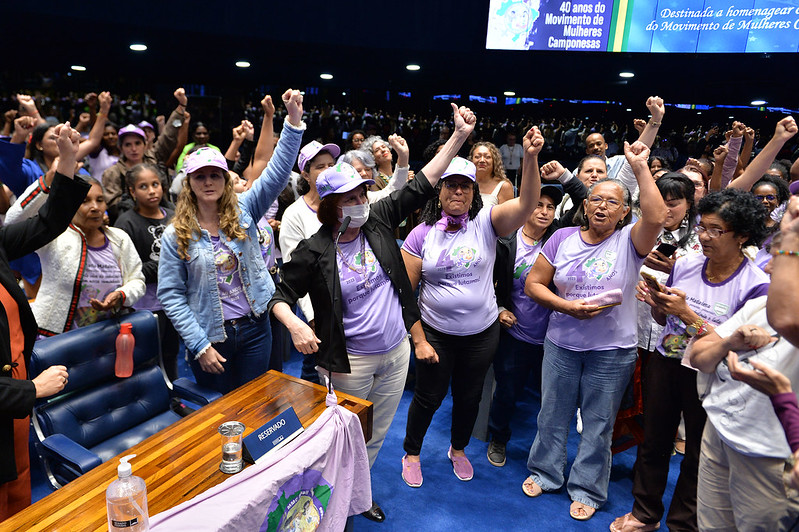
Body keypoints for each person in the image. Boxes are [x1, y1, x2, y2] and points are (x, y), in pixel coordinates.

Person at [270, 103, 478, 523]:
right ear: (330, 205)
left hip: (395, 352)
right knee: (338, 437)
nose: (362, 202)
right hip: (349, 362)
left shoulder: (378, 221)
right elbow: (278, 294)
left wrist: (458, 137)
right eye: (350, 197)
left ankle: (355, 497)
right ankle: (328, 503)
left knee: (375, 434)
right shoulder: (314, 249)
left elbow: (422, 185)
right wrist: (293, 323)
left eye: (363, 193)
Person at [522, 140, 667, 521]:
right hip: (561, 344)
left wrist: (639, 166)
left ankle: (586, 487)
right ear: (584, 206)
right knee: (551, 414)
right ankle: (545, 472)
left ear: (623, 213)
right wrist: (567, 306)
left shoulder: (630, 241)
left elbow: (656, 216)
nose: (603, 206)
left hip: (612, 351)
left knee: (599, 424)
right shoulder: (561, 238)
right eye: (596, 200)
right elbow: (534, 285)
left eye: (612, 203)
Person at [611, 187, 770, 532]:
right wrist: (657, 305)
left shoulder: (756, 285)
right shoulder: (684, 265)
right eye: (702, 227)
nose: (705, 237)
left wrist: (686, 314)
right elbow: (661, 322)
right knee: (653, 441)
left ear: (742, 236)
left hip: (712, 376)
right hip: (666, 363)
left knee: (699, 453)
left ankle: (683, 522)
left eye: (717, 230)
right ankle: (644, 513)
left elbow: (739, 345)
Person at [400, 126, 544, 488]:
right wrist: (418, 339)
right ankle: (412, 452)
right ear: (440, 190)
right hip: (436, 334)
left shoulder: (488, 221)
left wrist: (529, 158)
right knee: (429, 397)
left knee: (469, 397)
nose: (459, 191)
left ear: (473, 190)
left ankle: (458, 449)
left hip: (481, 334)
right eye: (451, 184)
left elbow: (527, 204)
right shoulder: (421, 234)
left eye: (465, 185)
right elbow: (405, 294)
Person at [157, 89, 304, 394]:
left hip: (255, 328)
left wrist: (292, 121)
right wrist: (199, 346)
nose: (208, 182)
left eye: (215, 175)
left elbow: (275, 174)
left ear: (226, 180)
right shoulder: (176, 233)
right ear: (189, 183)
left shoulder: (245, 209)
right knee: (219, 413)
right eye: (200, 177)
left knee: (255, 402)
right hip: (212, 335)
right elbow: (171, 295)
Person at [688, 197, 799, 531]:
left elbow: (786, 319)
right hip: (721, 430)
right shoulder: (761, 305)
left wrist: (790, 235)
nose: (766, 267)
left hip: (770, 456)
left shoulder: (780, 311)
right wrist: (728, 342)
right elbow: (699, 356)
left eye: (778, 258)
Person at [0, 123, 89, 522]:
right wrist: (31, 389)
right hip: (13, 393)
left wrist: (66, 163)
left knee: (17, 491)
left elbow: (48, 223)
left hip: (12, 406)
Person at [7, 170, 145, 336]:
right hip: (56, 338)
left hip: (106, 336)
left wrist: (121, 295)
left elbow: (137, 280)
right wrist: (46, 181)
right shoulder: (53, 236)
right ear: (69, 204)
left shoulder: (119, 238)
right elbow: (13, 222)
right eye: (84, 201)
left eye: (100, 200)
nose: (95, 207)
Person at [486, 183, 565, 467]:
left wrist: (567, 177)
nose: (544, 212)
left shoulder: (562, 242)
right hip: (515, 334)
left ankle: (549, 453)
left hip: (554, 337)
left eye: (550, 207)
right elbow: (486, 284)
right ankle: (498, 438)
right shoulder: (506, 242)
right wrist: (500, 308)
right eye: (538, 205)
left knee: (554, 400)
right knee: (507, 391)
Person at [114, 163, 178, 380]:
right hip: (147, 304)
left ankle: (174, 395)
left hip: (175, 298)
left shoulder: (173, 215)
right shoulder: (126, 224)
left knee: (172, 352)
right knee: (150, 356)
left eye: (155, 184)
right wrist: (168, 263)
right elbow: (131, 270)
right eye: (143, 186)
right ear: (132, 191)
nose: (152, 191)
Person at [102, 88, 187, 221]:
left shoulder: (153, 158)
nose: (133, 149)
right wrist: (138, 203)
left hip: (161, 219)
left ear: (144, 144)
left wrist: (181, 107)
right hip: (131, 224)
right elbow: (112, 206)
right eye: (128, 145)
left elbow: (168, 136)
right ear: (121, 148)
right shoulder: (112, 173)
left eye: (137, 143)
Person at [469, 141, 514, 206]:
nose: (482, 160)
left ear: (494, 161)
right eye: (477, 157)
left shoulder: (503, 186)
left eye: (487, 157)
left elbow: (508, 215)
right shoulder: (465, 182)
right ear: (471, 160)